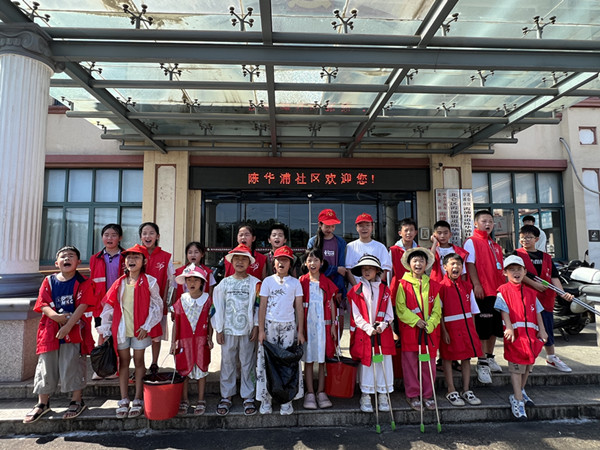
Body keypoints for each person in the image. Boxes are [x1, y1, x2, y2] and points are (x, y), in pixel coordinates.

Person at [24, 246, 96, 424]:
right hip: (50, 329)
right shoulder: (48, 281)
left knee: (72, 363)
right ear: (57, 263)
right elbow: (42, 303)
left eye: (71, 256)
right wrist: (55, 317)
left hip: (74, 330)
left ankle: (76, 400)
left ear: (78, 262)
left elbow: (83, 305)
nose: (67, 259)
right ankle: (42, 403)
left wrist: (68, 326)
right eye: (63, 256)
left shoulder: (84, 282)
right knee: (46, 365)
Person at [98, 244, 163, 419]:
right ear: (124, 261)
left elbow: (157, 305)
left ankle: (138, 398)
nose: (132, 260)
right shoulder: (119, 283)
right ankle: (124, 398)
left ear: (144, 261)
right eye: (129, 257)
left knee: (139, 361)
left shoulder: (150, 281)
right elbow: (109, 306)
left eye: (136, 257)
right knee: (124, 363)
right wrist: (105, 328)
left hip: (140, 330)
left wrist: (147, 326)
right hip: (121, 329)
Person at [494, 255, 548, 421]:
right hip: (515, 337)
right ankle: (517, 399)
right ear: (505, 272)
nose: (516, 272)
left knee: (528, 366)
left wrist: (542, 330)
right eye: (512, 269)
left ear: (525, 271)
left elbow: (538, 312)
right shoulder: (503, 291)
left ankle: (521, 391)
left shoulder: (531, 292)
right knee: (516, 368)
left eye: (519, 269)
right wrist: (509, 327)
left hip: (531, 337)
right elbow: (504, 311)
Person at [515, 225, 574, 372]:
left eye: (529, 237)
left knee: (547, 328)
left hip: (545, 298)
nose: (525, 240)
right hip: (525, 299)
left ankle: (551, 357)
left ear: (536, 239)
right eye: (522, 238)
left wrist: (562, 293)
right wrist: (534, 284)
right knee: (526, 329)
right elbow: (516, 274)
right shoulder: (516, 255)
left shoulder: (546, 257)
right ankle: (525, 357)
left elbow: (554, 277)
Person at [212, 244, 262, 417]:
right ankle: (226, 395)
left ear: (249, 262)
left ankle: (248, 396)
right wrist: (218, 328)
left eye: (244, 259)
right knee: (227, 362)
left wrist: (256, 325)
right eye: (237, 259)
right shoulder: (224, 284)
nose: (240, 262)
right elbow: (217, 307)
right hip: (228, 330)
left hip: (248, 331)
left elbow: (258, 306)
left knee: (248, 363)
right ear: (231, 262)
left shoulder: (255, 283)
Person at [256, 245, 305, 415]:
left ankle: (287, 400)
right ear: (274, 263)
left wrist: (300, 331)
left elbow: (299, 308)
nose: (282, 263)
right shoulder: (267, 282)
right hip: (270, 326)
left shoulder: (295, 283)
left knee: (287, 363)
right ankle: (266, 399)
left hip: (288, 327)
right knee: (267, 362)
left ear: (290, 264)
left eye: (285, 260)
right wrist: (261, 330)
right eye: (279, 260)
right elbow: (262, 306)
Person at [395, 248, 442, 412]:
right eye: (415, 261)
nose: (418, 264)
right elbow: (400, 308)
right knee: (410, 365)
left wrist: (431, 323)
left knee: (428, 365)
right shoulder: (402, 284)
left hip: (428, 333)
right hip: (411, 331)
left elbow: (437, 309)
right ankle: (413, 395)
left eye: (421, 261)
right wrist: (416, 321)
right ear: (409, 264)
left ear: (426, 264)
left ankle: (427, 395)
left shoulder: (433, 285)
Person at [348, 255, 395, 413]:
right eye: (364, 269)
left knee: (383, 362)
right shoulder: (356, 290)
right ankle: (366, 394)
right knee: (367, 363)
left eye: (370, 268)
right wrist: (368, 328)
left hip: (383, 333)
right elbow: (356, 316)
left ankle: (383, 393)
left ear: (377, 270)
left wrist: (382, 325)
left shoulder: (385, 290)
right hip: (365, 334)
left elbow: (389, 313)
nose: (366, 271)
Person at [463, 210, 506, 383]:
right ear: (475, 223)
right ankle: (481, 363)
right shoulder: (471, 241)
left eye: (490, 221)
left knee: (495, 327)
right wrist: (477, 285)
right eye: (483, 221)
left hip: (497, 291)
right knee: (482, 328)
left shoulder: (494, 245)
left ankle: (489, 357)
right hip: (482, 291)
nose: (487, 224)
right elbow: (470, 264)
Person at [439, 253, 482, 407]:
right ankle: (451, 389)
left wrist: (473, 330)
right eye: (452, 264)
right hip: (450, 328)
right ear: (445, 267)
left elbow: (473, 310)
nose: (456, 267)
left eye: (459, 264)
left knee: (466, 358)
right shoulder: (441, 287)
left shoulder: (467, 287)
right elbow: (439, 313)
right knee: (448, 358)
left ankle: (466, 389)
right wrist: (444, 332)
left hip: (466, 328)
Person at [171, 264, 214, 416]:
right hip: (185, 340)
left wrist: (210, 337)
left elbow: (210, 320)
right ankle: (184, 399)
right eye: (189, 280)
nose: (192, 283)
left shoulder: (207, 300)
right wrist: (173, 342)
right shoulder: (181, 300)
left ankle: (201, 399)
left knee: (202, 369)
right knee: (184, 370)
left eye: (196, 280)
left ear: (202, 282)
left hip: (201, 340)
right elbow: (176, 322)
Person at [299, 249, 338, 410]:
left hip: (323, 326)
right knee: (308, 360)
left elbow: (332, 303)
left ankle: (321, 392)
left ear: (321, 263)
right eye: (310, 260)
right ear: (305, 263)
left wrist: (334, 325)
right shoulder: (301, 281)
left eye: (316, 260)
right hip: (307, 326)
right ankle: (309, 392)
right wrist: (299, 329)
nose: (313, 263)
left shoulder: (326, 282)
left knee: (322, 361)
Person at [138, 222, 175, 374]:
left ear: (157, 236)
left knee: (156, 334)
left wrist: (166, 301)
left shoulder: (166, 256)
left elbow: (171, 280)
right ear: (141, 237)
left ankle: (154, 363)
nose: (148, 236)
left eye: (151, 233)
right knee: (138, 334)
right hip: (139, 303)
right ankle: (139, 365)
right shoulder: (134, 254)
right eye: (144, 233)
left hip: (157, 303)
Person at [89, 223, 125, 379]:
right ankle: (101, 369)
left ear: (120, 238)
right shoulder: (95, 258)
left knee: (119, 334)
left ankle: (117, 368)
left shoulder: (126, 256)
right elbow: (92, 282)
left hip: (120, 302)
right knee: (102, 333)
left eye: (114, 235)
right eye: (106, 235)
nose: (109, 238)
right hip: (100, 303)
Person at [307, 208, 347, 338]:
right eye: (327, 225)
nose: (330, 229)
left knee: (337, 322)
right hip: (317, 286)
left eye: (332, 226)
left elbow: (342, 269)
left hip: (336, 287)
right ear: (320, 224)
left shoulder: (340, 242)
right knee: (318, 320)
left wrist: (339, 289)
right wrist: (334, 269)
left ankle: (335, 347)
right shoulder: (313, 242)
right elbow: (312, 266)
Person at [345, 213, 392, 287]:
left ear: (372, 227)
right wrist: (357, 288)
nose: (364, 228)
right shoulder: (350, 246)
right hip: (355, 289)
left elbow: (384, 269)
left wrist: (376, 286)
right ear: (357, 228)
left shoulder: (380, 247)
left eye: (367, 225)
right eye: (361, 226)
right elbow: (348, 270)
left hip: (375, 289)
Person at [389, 217, 419, 290]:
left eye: (411, 230)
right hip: (397, 287)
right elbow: (389, 273)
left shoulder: (419, 250)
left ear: (415, 232)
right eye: (406, 230)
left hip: (415, 287)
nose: (409, 233)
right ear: (400, 233)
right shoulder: (393, 250)